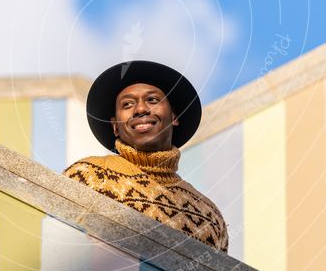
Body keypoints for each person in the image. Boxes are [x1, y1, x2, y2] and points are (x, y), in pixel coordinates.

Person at [63, 60, 228, 251]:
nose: (140, 109)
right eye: (127, 104)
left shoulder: (210, 216)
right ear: (115, 126)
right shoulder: (87, 176)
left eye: (152, 100)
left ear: (174, 117)